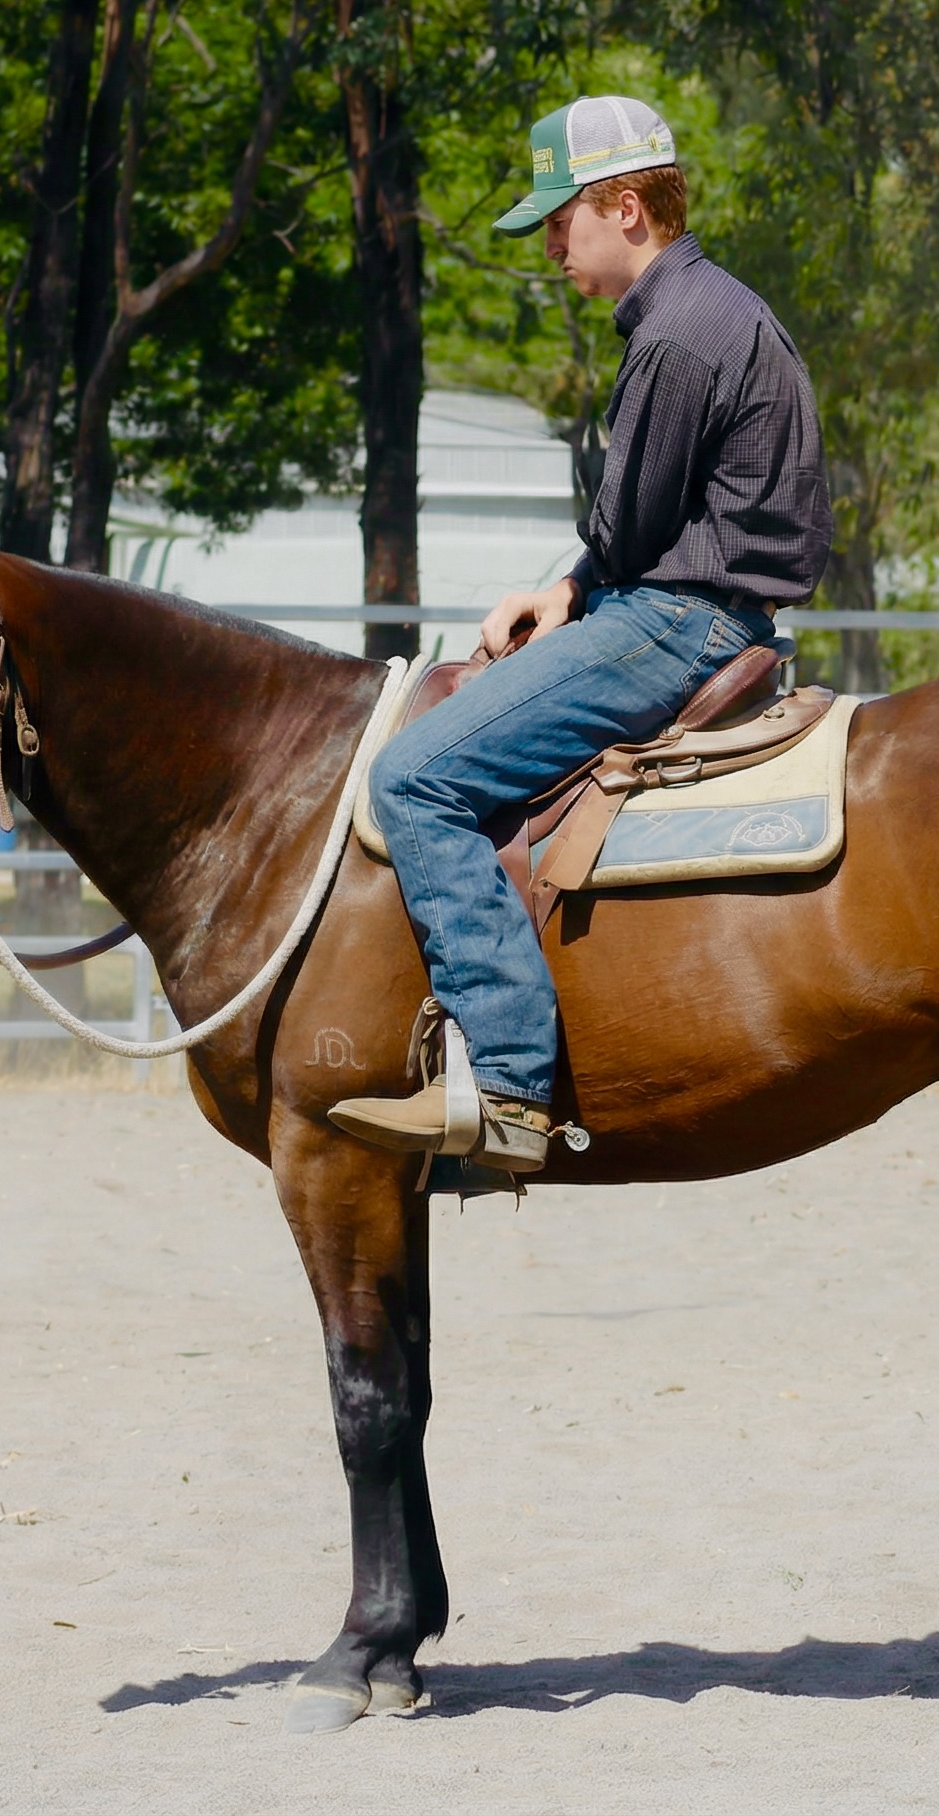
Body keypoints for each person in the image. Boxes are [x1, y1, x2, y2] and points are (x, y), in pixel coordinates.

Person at [329, 94, 832, 1172]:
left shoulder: (675, 339)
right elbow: (635, 533)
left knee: (412, 777)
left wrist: (579, 578)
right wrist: (563, 589)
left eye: (562, 220)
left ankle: (508, 1075)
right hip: (706, 607)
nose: (551, 246)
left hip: (676, 623)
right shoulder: (717, 308)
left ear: (625, 208)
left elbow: (629, 529)